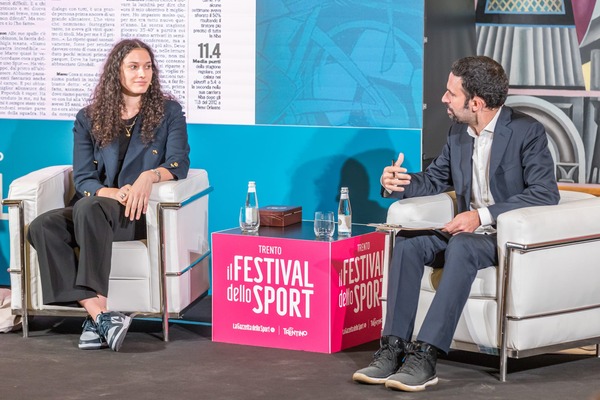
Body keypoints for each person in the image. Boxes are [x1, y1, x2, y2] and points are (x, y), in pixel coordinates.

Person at [352, 56, 559, 391]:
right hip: (464, 231)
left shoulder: (527, 131)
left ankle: (426, 355)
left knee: (462, 245)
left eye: (452, 93)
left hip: (502, 237)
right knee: (408, 242)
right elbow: (434, 179)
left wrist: (481, 216)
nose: (443, 99)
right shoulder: (458, 134)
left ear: (476, 102)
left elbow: (544, 193)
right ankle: (392, 348)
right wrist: (398, 183)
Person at [27, 39, 190, 352]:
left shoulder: (168, 112)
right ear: (117, 72)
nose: (142, 74)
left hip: (134, 213)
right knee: (41, 226)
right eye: (134, 67)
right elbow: (83, 177)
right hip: (97, 206)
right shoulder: (88, 118)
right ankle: (101, 315)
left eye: (147, 67)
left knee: (89, 208)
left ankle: (97, 320)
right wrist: (112, 192)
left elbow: (179, 161)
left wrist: (148, 176)